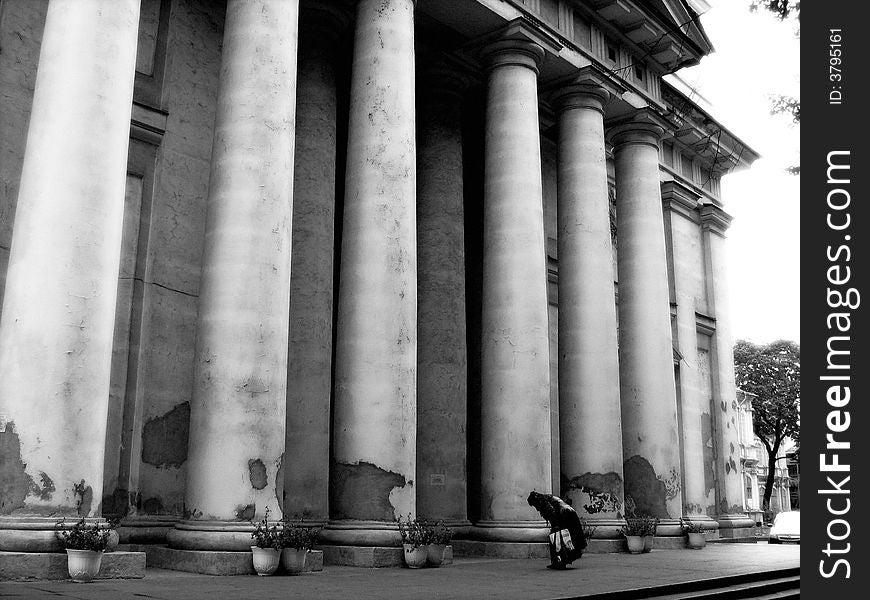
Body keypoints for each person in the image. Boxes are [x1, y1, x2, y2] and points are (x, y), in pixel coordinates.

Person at [527, 490, 587, 569]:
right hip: (568, 514)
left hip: (565, 515)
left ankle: (560, 561)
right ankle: (559, 560)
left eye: (534, 505)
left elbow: (552, 513)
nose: (536, 508)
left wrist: (556, 526)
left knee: (558, 539)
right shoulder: (547, 498)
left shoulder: (543, 501)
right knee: (565, 537)